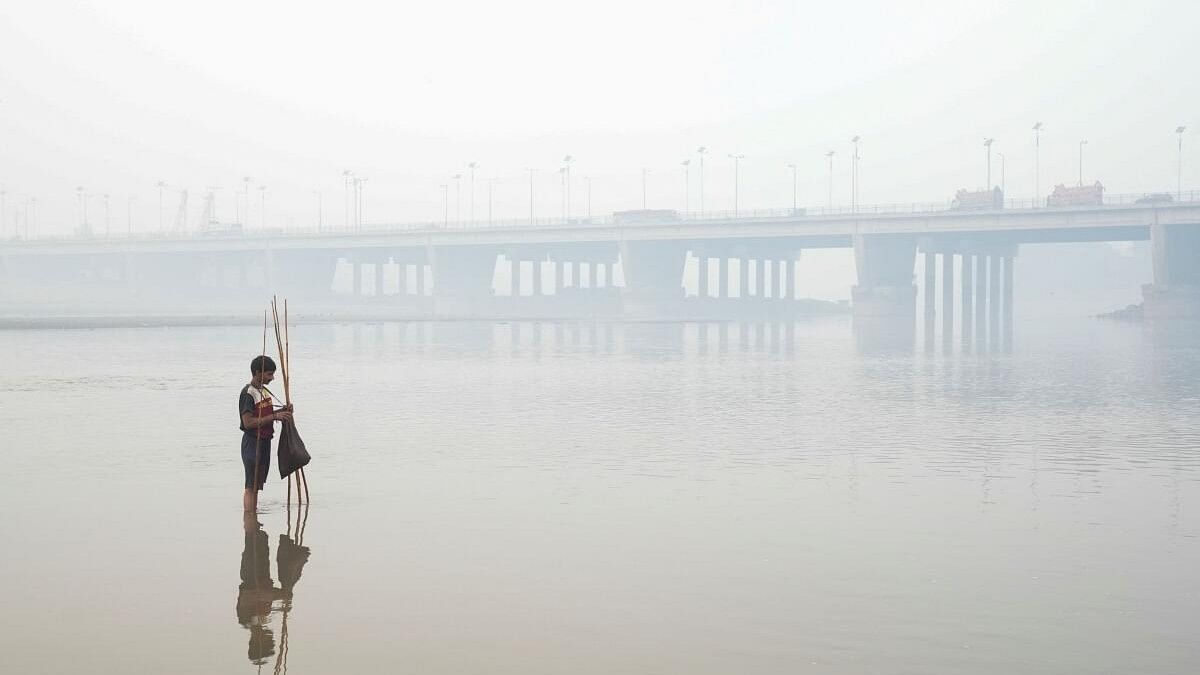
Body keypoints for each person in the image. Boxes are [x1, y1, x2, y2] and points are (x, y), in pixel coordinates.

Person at [239, 355, 293, 512]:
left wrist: (282, 412)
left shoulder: (264, 391)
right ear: (258, 373)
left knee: (257, 485)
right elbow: (248, 422)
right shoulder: (248, 393)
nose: (272, 378)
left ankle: (253, 522)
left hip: (264, 442)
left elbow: (266, 415)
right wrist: (275, 416)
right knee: (251, 485)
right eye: (269, 374)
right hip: (252, 443)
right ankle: (249, 517)